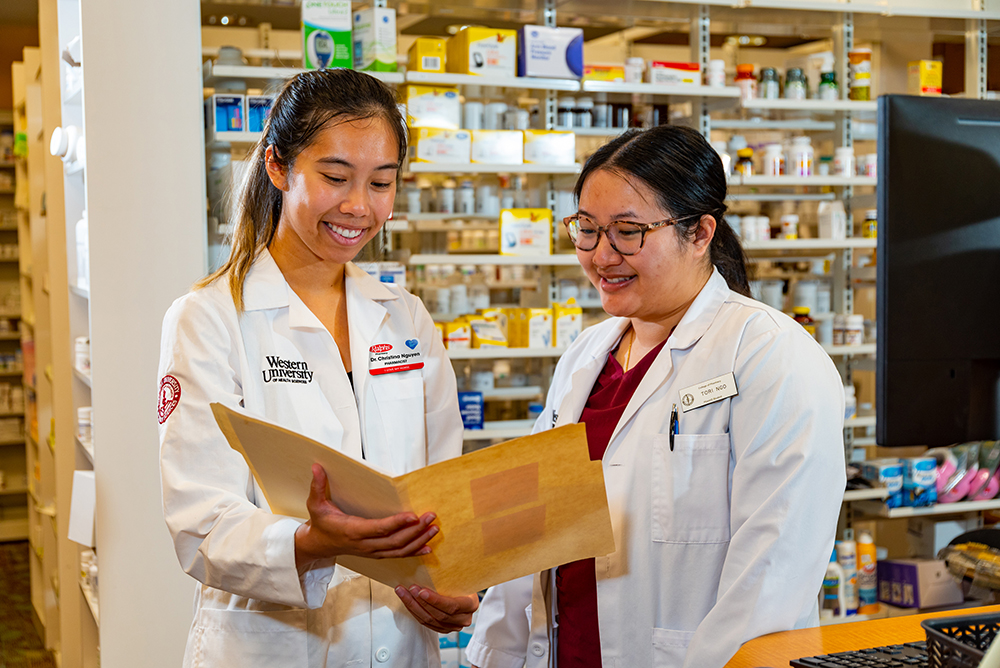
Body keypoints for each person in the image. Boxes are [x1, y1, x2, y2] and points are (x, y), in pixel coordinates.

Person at [466, 126, 846, 668]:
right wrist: (493, 652)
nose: (602, 255)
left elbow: (770, 576)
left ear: (699, 233)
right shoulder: (584, 357)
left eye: (627, 231)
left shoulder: (771, 357)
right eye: (588, 230)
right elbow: (534, 526)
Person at [157, 68, 477, 668]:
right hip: (272, 648)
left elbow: (443, 491)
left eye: (382, 183)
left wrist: (456, 580)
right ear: (278, 168)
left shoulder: (405, 321)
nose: (359, 206)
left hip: (402, 643)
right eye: (335, 177)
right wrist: (306, 545)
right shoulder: (209, 319)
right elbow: (200, 525)